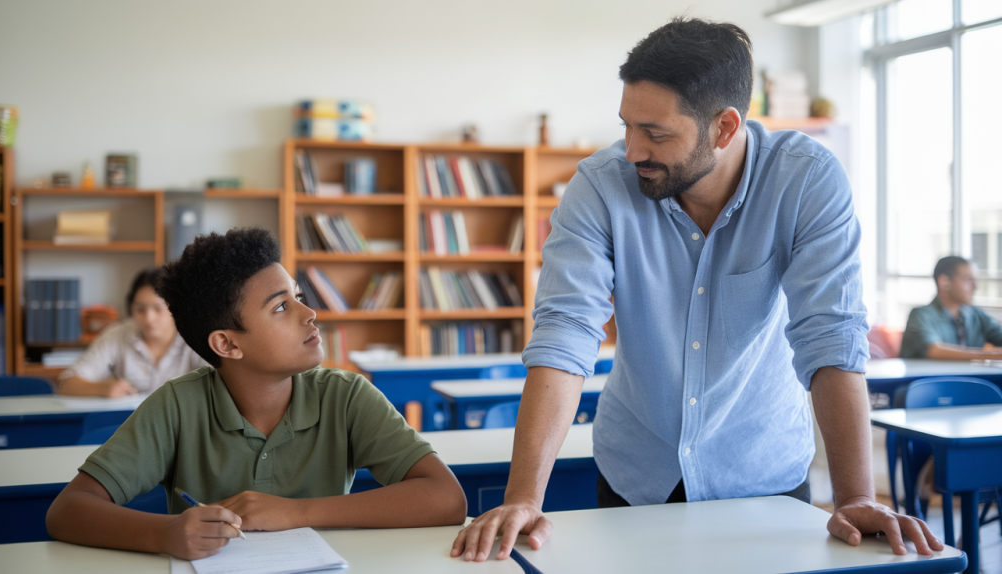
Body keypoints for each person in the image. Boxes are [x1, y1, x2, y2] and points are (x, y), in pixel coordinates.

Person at [452, 17, 943, 562]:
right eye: (627, 126)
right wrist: (523, 498)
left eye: (656, 133)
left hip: (764, 478)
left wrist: (853, 497)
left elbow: (830, 337)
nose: (633, 150)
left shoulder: (805, 180)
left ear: (725, 128)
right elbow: (566, 332)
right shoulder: (599, 185)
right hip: (637, 475)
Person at [46, 228, 466, 559]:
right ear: (227, 345)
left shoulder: (346, 396)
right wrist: (165, 532)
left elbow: (445, 498)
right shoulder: (177, 406)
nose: (310, 312)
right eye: (281, 306)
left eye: (298, 296)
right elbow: (68, 511)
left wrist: (295, 512)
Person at [57, 268, 208, 397]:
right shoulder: (118, 334)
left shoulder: (194, 336)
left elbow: (222, 383)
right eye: (140, 309)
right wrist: (103, 388)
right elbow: (66, 382)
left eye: (158, 308)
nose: (149, 318)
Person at [900, 255, 1002, 360]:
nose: (975, 287)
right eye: (968, 280)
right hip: (929, 376)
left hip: (966, 376)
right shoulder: (920, 315)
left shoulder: (976, 314)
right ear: (945, 282)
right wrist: (991, 355)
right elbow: (934, 350)